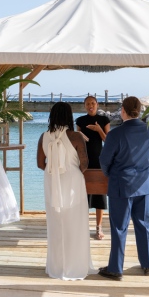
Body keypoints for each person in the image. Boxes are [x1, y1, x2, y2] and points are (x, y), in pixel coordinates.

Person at [97, 96, 149, 281]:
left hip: (121, 184)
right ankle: (147, 264)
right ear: (139, 110)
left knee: (119, 227)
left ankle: (116, 268)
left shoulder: (116, 134)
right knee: (144, 225)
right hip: (143, 184)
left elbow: (104, 161)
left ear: (123, 110)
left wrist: (110, 174)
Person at [36, 102, 94, 280]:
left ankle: (56, 266)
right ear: (69, 116)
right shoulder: (76, 136)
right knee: (75, 224)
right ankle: (75, 265)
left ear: (52, 116)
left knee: (55, 224)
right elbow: (85, 164)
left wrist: (55, 167)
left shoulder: (43, 136)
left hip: (52, 183)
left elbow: (40, 164)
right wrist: (70, 169)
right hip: (73, 184)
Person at [75, 96, 111, 240]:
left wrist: (98, 130)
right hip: (83, 161)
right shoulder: (80, 121)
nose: (91, 106)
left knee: (99, 195)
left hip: (99, 161)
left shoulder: (104, 120)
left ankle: (98, 227)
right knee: (82, 195)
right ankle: (82, 227)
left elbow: (108, 141)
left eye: (93, 103)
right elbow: (75, 141)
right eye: (88, 104)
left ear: (97, 105)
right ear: (84, 106)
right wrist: (80, 137)